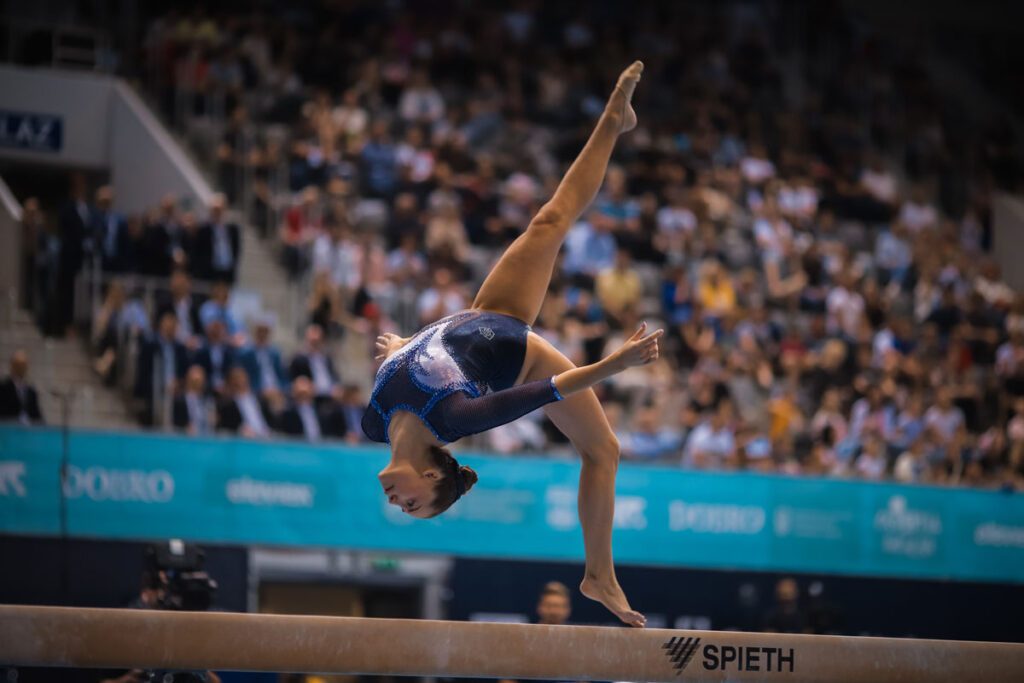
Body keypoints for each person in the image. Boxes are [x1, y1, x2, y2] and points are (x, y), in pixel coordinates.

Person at [365, 62, 655, 627]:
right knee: (604, 451)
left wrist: (403, 348)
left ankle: (614, 120)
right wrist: (613, 363)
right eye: (415, 504)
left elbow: (417, 364)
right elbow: (547, 391)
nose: (398, 505)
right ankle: (600, 575)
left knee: (550, 218)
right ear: (430, 477)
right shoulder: (453, 419)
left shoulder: (373, 424)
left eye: (403, 509)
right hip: (522, 354)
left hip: (483, 313)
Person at [0, 350, 44, 425]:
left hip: (28, 431)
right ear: (12, 366)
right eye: (18, 365)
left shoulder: (31, 391)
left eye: (23, 365)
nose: (21, 368)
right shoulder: (4, 388)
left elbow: (37, 416)